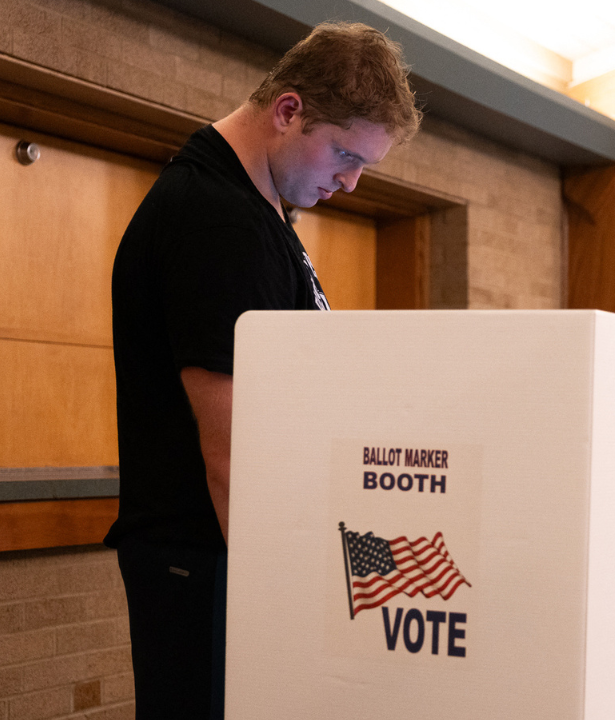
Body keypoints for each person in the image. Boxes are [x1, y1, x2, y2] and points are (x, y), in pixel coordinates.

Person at [104, 22, 421, 720]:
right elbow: (233, 451)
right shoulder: (216, 222)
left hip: (226, 556)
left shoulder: (260, 214)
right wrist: (292, 601)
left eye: (365, 164)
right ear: (287, 111)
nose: (351, 180)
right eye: (344, 153)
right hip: (208, 560)